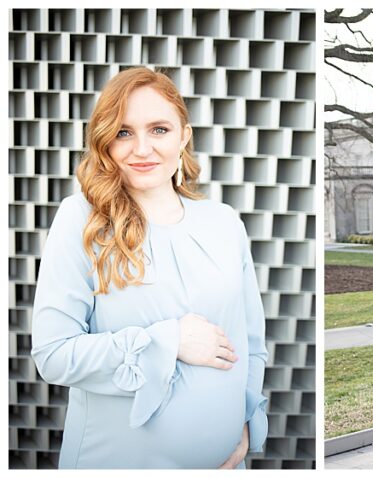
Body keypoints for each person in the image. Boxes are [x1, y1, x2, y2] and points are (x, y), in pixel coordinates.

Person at [30, 67, 268, 469]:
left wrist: (244, 421)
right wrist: (168, 341)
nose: (142, 149)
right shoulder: (81, 219)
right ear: (105, 142)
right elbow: (54, 355)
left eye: (159, 129)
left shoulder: (224, 221)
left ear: (183, 136)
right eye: (124, 132)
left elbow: (250, 343)